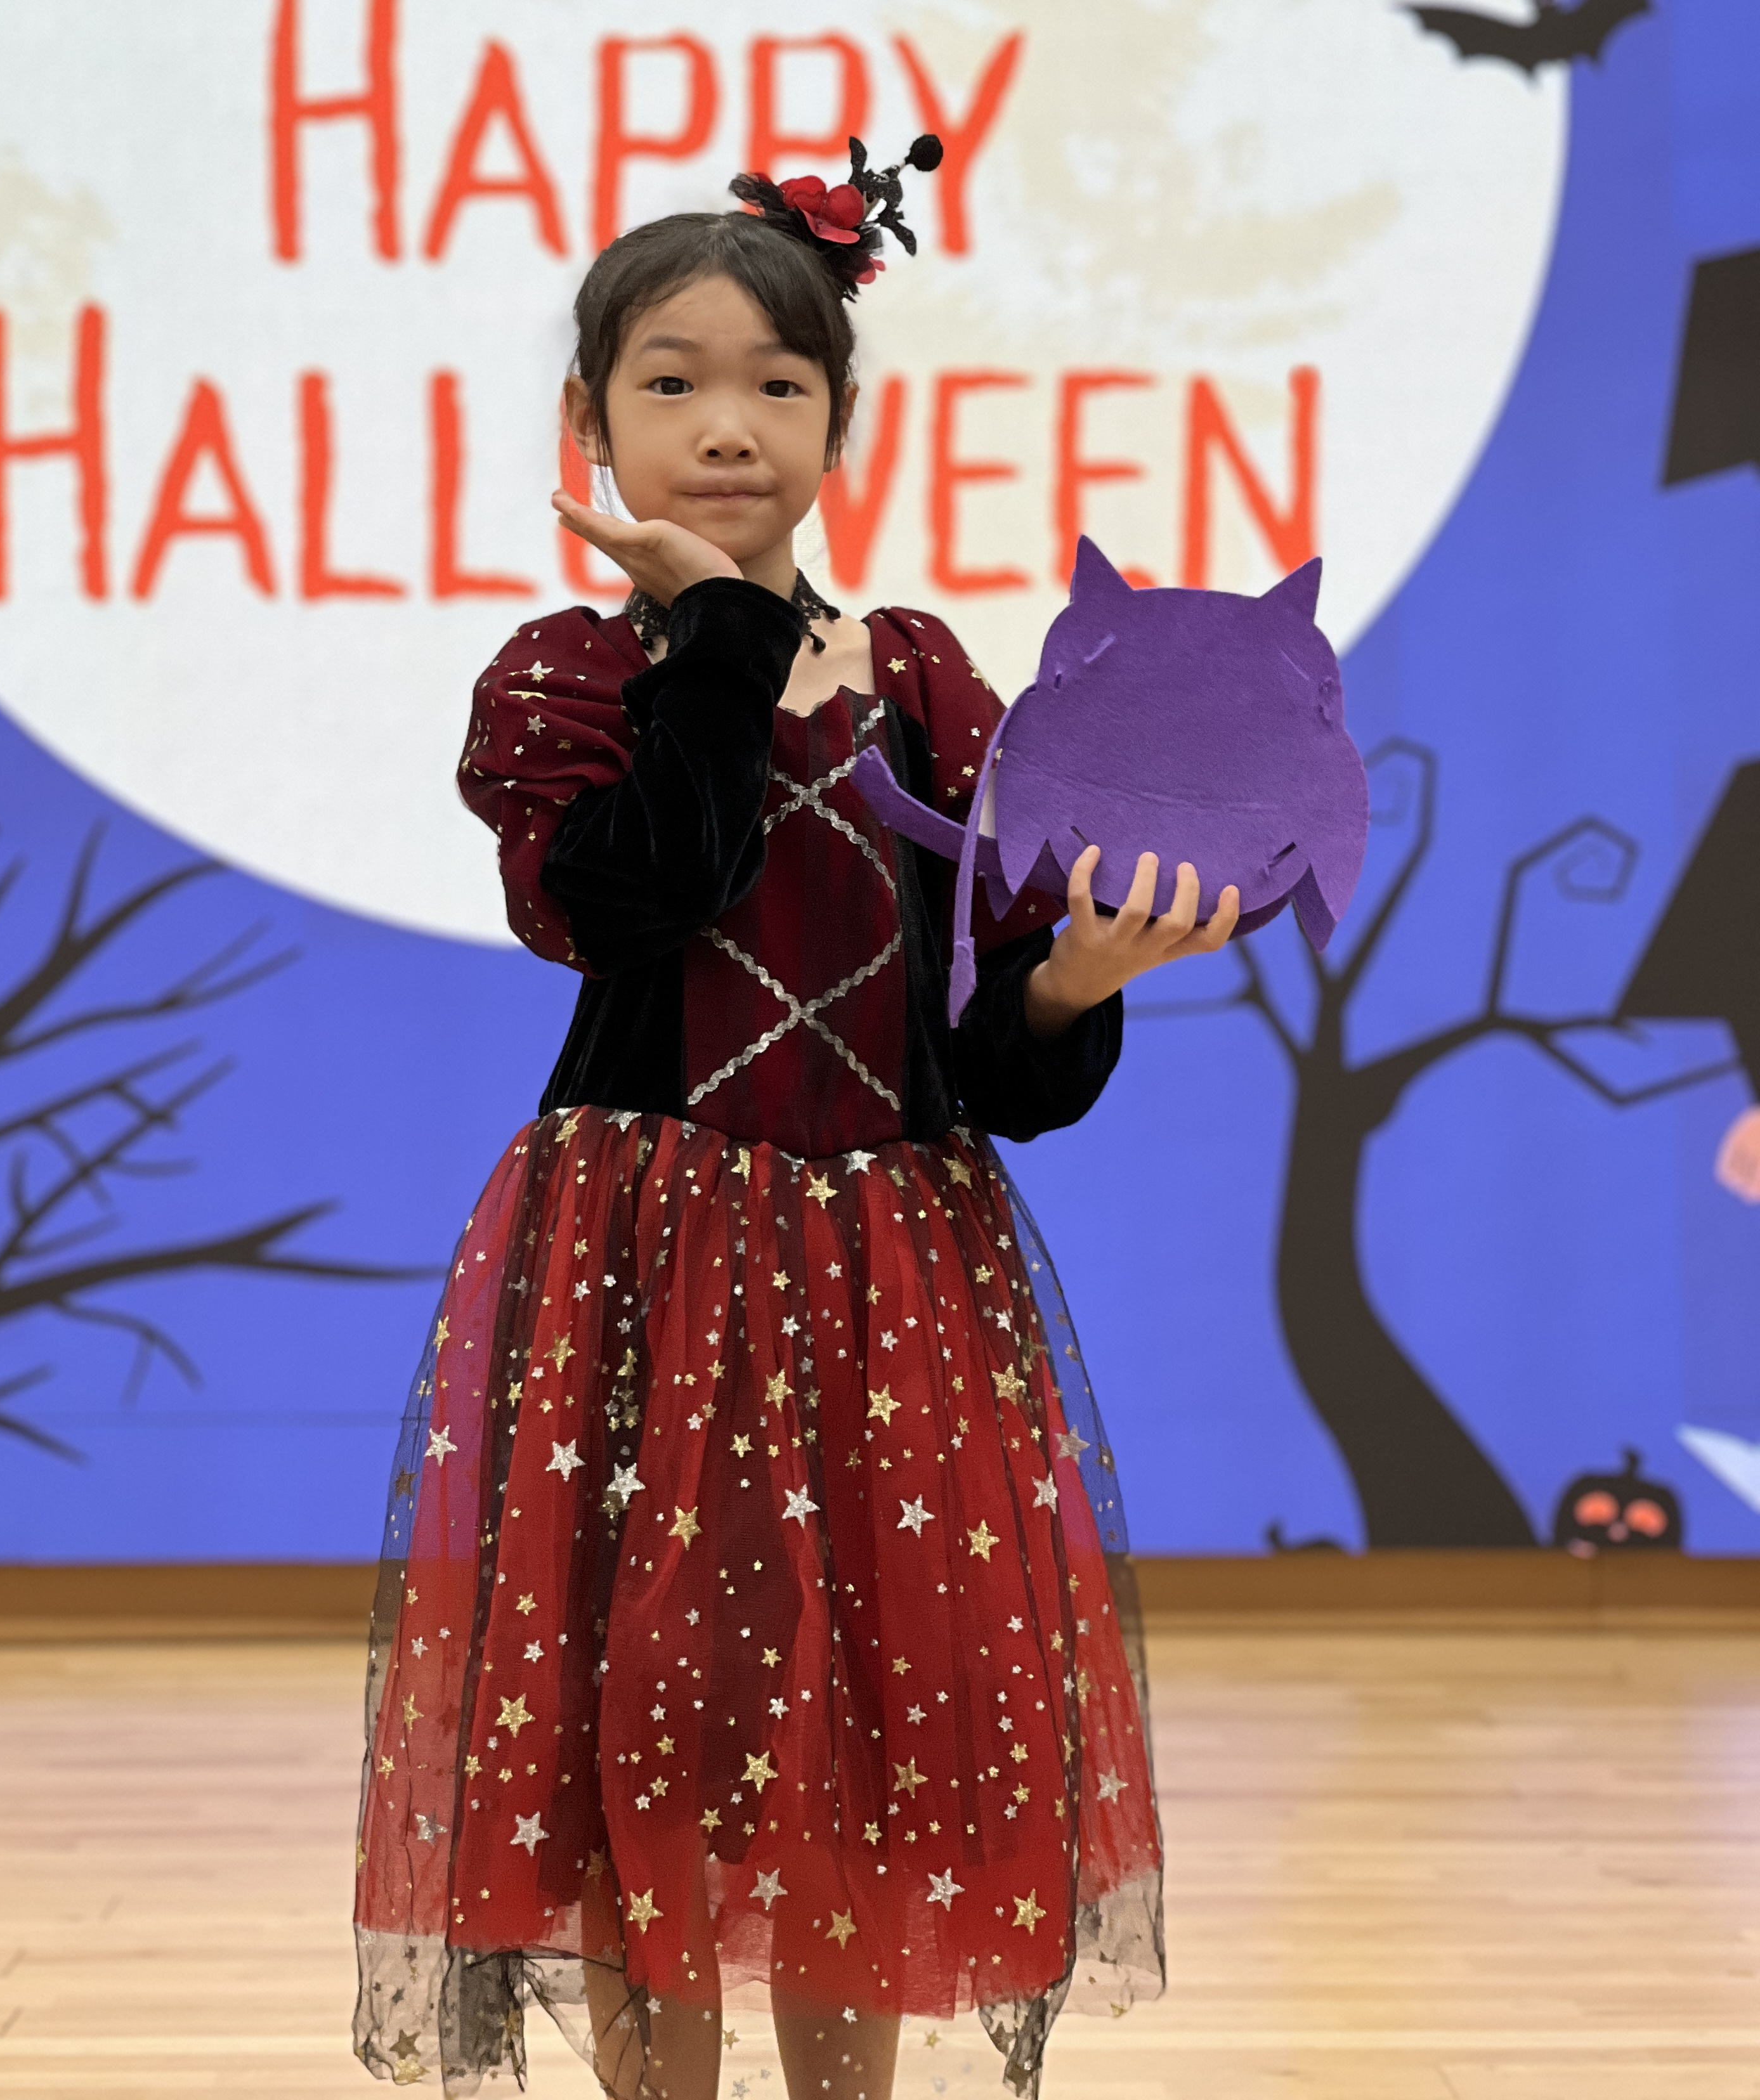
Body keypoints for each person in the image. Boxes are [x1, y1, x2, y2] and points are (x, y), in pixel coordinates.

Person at [353, 141, 1241, 2100]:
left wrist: (1074, 983)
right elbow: (627, 900)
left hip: (888, 1280)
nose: (727, 426)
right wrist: (725, 641)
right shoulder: (569, 674)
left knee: (870, 1747)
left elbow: (992, 1061)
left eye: (778, 382)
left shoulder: (919, 676)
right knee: (648, 1742)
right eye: (670, 381)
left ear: (846, 419)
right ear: (587, 419)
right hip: (642, 1275)